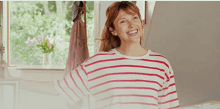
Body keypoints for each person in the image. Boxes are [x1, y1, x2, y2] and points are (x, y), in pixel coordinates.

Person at [4, 1, 180, 109]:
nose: (131, 25)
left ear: (141, 22)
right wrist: (13, 80)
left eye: (134, 18)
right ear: (114, 30)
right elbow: (58, 89)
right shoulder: (99, 63)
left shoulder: (161, 64)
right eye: (123, 21)